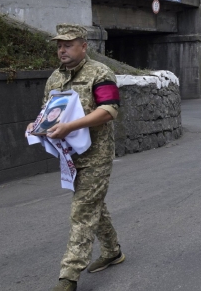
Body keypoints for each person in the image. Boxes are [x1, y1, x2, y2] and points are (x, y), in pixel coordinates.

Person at [25, 24, 124, 291]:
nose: (62, 49)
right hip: (69, 156)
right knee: (93, 204)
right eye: (59, 45)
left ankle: (68, 277)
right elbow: (48, 112)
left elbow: (109, 110)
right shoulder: (55, 79)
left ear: (84, 46)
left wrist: (71, 126)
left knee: (82, 210)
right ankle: (113, 250)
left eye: (68, 44)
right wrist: (37, 126)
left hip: (96, 155)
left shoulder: (100, 73)